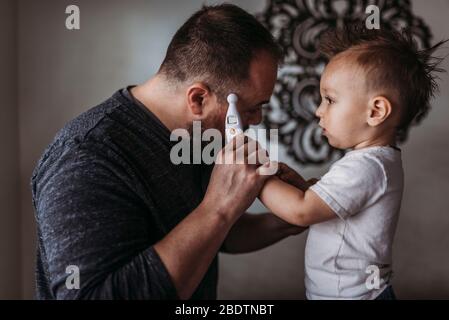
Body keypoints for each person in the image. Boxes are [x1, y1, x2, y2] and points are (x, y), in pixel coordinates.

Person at [31, 4, 305, 300]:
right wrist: (218, 208)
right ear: (198, 98)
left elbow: (212, 237)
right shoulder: (84, 158)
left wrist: (290, 217)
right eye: (252, 108)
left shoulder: (199, 137)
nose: (257, 120)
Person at [259, 25, 447, 300]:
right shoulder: (374, 162)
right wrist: (303, 188)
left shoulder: (366, 167)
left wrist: (255, 176)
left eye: (330, 100)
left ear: (375, 111)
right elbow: (328, 206)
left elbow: (301, 212)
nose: (318, 110)